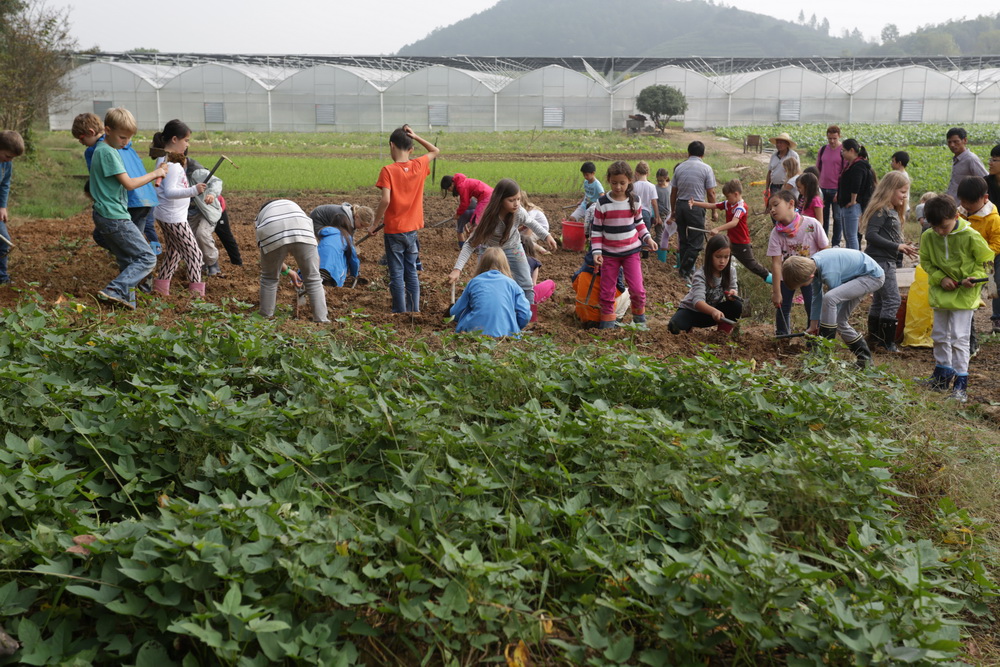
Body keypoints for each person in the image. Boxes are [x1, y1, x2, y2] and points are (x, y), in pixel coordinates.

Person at [918, 195, 994, 402]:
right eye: (935, 227)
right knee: (939, 334)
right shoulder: (929, 236)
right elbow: (926, 262)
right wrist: (941, 278)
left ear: (956, 216)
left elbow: (986, 261)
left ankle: (961, 384)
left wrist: (975, 278)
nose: (939, 232)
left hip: (964, 294)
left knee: (959, 337)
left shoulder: (971, 236)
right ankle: (942, 376)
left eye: (944, 226)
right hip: (941, 292)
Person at [88, 108, 166, 309]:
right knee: (147, 257)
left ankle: (127, 303)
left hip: (107, 214)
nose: (126, 142)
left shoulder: (104, 150)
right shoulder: (108, 152)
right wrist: (156, 173)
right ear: (107, 130)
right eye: (122, 137)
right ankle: (114, 289)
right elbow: (129, 184)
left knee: (128, 261)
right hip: (114, 216)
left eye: (129, 137)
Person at [448, 179, 556, 318]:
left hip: (513, 247)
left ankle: (528, 317)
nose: (516, 203)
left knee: (526, 283)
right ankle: (478, 314)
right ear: (500, 200)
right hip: (490, 251)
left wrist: (547, 236)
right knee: (482, 283)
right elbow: (470, 244)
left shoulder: (519, 212)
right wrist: (457, 269)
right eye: (511, 200)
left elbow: (531, 222)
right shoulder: (489, 218)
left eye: (518, 199)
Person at [368, 124, 439, 313]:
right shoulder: (419, 165)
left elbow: (385, 200)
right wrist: (415, 136)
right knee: (411, 272)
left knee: (397, 274)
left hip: (394, 230)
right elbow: (435, 150)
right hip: (412, 230)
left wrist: (375, 224)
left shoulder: (388, 170)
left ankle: (400, 312)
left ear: (392, 145)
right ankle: (414, 310)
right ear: (412, 149)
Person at [72, 113, 161, 253]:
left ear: (90, 132)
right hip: (146, 195)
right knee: (135, 242)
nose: (81, 142)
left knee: (113, 240)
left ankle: (140, 259)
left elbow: (99, 181)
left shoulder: (97, 150)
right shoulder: (126, 147)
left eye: (81, 138)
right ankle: (144, 257)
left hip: (127, 201)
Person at [782, 248, 885, 369]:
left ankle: (824, 356)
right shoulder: (812, 266)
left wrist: (825, 332)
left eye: (802, 285)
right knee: (840, 321)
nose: (803, 287)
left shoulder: (830, 272)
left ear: (810, 276)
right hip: (857, 276)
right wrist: (813, 325)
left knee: (830, 298)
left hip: (872, 277)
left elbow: (835, 302)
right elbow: (817, 297)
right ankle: (865, 360)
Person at [591, 161, 657, 330]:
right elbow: (596, 230)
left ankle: (639, 321)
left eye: (622, 183)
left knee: (637, 289)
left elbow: (639, 223)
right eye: (614, 183)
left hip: (631, 252)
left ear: (629, 181)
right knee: (607, 290)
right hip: (609, 254)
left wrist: (648, 238)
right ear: (609, 180)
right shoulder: (602, 203)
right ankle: (607, 324)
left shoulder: (635, 200)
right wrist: (596, 252)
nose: (618, 187)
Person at [862, 171, 919, 352]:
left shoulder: (890, 210)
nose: (905, 196)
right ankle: (886, 343)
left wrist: (901, 245)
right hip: (881, 261)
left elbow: (886, 236)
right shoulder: (881, 210)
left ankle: (874, 339)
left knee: (880, 300)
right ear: (890, 190)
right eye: (902, 192)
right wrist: (897, 246)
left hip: (885, 260)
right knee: (893, 300)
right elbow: (871, 235)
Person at [150, 119, 207, 297]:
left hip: (166, 215)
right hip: (174, 218)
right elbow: (169, 192)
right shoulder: (172, 164)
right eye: (186, 140)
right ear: (174, 139)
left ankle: (160, 291)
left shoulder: (164, 159)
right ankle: (196, 299)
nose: (187, 145)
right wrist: (194, 190)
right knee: (195, 255)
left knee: (174, 253)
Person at [254, 199, 328, 323]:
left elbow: (268, 253)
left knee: (269, 278)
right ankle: (322, 320)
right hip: (302, 228)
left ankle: (265, 319)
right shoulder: (292, 206)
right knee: (314, 279)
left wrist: (287, 271)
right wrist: (311, 269)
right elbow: (313, 251)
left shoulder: (261, 216)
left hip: (271, 228)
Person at [767, 190, 829, 336]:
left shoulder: (812, 224)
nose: (772, 210)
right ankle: (783, 337)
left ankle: (814, 339)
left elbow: (825, 250)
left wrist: (824, 276)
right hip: (787, 276)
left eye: (776, 205)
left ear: (791, 204)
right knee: (783, 306)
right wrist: (776, 292)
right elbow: (776, 264)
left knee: (812, 307)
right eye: (770, 208)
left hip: (810, 275)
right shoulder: (776, 233)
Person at [689, 179, 769, 282]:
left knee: (752, 265)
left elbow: (734, 222)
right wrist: (695, 203)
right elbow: (712, 205)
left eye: (728, 196)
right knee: (721, 262)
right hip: (730, 241)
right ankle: (715, 282)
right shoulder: (728, 203)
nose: (727, 199)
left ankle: (772, 278)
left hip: (741, 243)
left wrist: (717, 228)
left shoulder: (741, 207)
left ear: (736, 194)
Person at [449, 247, 531, 337]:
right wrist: (514, 326)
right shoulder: (513, 285)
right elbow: (525, 314)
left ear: (482, 264)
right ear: (505, 265)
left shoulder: (474, 282)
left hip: (474, 333)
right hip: (506, 335)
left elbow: (455, 312)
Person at [668, 234, 741, 334]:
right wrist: (713, 311)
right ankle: (688, 327)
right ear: (709, 255)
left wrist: (732, 294)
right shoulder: (700, 275)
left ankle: (722, 334)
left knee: (736, 305)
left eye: (726, 257)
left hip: (713, 314)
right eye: (718, 257)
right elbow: (698, 302)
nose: (722, 261)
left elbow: (732, 288)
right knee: (674, 326)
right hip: (692, 312)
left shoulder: (730, 271)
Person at [955, 176, 1000, 338]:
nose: (966, 206)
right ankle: (968, 318)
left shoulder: (993, 218)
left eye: (971, 203)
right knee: (970, 286)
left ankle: (997, 317)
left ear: (985, 198)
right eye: (963, 202)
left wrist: (983, 256)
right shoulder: (959, 214)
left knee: (994, 286)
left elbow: (997, 243)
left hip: (989, 259)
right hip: (967, 259)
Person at [669, 141, 717, 281]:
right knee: (696, 243)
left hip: (681, 206)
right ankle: (684, 271)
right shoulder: (706, 169)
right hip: (695, 207)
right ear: (702, 154)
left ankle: (686, 270)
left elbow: (673, 192)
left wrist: (673, 210)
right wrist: (714, 211)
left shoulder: (679, 168)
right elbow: (711, 193)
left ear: (688, 153)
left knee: (683, 239)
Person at [186, 164, 224, 276]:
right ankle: (200, 263)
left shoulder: (196, 172)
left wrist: (212, 193)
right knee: (190, 239)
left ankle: (213, 264)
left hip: (206, 210)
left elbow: (216, 181)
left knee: (202, 234)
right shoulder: (173, 173)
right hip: (188, 212)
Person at [837, 138, 873, 251]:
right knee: (848, 236)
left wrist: (853, 200)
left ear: (851, 150)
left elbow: (856, 184)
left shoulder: (859, 165)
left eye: (843, 150)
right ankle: (850, 256)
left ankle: (854, 258)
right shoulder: (851, 164)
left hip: (852, 205)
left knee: (851, 236)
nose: (842, 153)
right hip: (846, 204)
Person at [0, 130, 25, 285]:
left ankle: (2, 278)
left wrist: (2, 206)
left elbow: (4, 184)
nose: (9, 160)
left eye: (12, 158)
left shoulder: (6, 164)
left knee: (4, 241)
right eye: (8, 156)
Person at [442, 173, 492, 246]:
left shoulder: (461, 186)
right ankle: (478, 243)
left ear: (452, 184)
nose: (449, 191)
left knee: (476, 222)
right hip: (487, 195)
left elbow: (465, 204)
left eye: (448, 188)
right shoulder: (462, 183)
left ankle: (477, 245)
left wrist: (458, 214)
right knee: (475, 221)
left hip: (486, 197)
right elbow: (466, 202)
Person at [816, 125, 846, 245]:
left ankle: (836, 243)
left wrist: (840, 191)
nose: (832, 141)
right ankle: (823, 242)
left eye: (834, 138)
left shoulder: (843, 151)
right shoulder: (823, 149)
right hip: (823, 188)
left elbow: (845, 172)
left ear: (839, 136)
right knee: (823, 217)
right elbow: (817, 168)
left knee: (837, 217)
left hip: (836, 189)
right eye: (830, 138)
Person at [316, 211, 360, 287]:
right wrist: (354, 274)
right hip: (330, 272)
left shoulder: (325, 235)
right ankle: (330, 282)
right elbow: (353, 259)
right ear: (347, 225)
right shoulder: (346, 237)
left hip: (314, 267)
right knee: (344, 256)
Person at [945, 127, 987, 203]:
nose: (952, 145)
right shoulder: (957, 159)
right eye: (949, 142)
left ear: (965, 140)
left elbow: (985, 180)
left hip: (965, 205)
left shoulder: (971, 159)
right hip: (954, 203)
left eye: (956, 141)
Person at [632, 161, 662, 238]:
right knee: (645, 236)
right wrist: (657, 216)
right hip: (646, 213)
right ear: (648, 173)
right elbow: (654, 203)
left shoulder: (634, 186)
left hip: (636, 212)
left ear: (636, 173)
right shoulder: (652, 186)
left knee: (636, 236)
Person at [309, 202, 374, 237]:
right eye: (361, 225)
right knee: (327, 238)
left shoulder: (353, 218)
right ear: (357, 216)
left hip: (328, 221)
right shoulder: (344, 218)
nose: (361, 228)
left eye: (364, 227)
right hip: (318, 218)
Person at [655, 168, 674, 252]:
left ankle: (662, 246)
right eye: (658, 180)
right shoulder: (655, 188)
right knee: (659, 231)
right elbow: (654, 203)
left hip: (669, 213)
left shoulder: (670, 186)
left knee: (666, 231)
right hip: (660, 213)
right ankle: (659, 249)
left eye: (661, 180)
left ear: (666, 178)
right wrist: (657, 216)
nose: (659, 182)